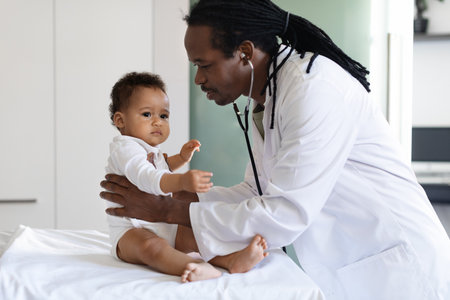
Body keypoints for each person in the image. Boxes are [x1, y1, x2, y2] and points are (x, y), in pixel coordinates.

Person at [100, 1, 450, 299]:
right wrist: (176, 203)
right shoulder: (271, 95)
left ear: (245, 53)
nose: (198, 80)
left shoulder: (315, 91)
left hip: (402, 269)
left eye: (204, 65)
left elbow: (285, 212)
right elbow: (256, 192)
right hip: (357, 265)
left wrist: (167, 211)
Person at [105, 71, 268, 283]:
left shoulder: (148, 149)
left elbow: (161, 167)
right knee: (151, 247)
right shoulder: (125, 148)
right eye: (147, 114)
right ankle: (195, 266)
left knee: (195, 235)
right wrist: (181, 181)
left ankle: (230, 260)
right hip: (131, 231)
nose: (157, 122)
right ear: (120, 120)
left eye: (163, 116)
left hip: (161, 223)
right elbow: (147, 177)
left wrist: (180, 158)